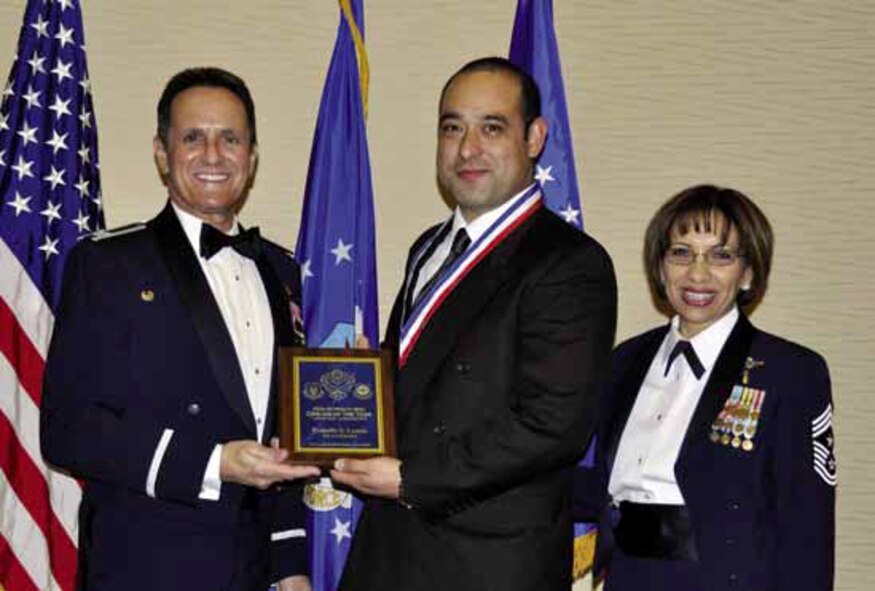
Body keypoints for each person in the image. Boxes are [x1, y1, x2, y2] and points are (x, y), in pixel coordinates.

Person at [330, 57, 617, 591]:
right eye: (452, 127)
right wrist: (363, 389)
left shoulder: (568, 262)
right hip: (391, 553)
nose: (468, 148)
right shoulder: (429, 248)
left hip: (487, 565)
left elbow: (552, 425)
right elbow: (430, 388)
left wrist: (412, 478)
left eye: (492, 127)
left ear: (534, 137)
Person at [40, 67, 321, 591]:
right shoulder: (109, 265)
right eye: (193, 138)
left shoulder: (282, 272)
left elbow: (280, 434)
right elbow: (68, 431)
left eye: (230, 138)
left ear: (252, 156)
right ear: (162, 153)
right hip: (145, 567)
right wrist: (215, 462)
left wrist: (290, 568)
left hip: (251, 572)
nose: (213, 155)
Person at [584, 185, 835, 591]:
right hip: (629, 578)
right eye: (681, 253)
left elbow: (806, 525)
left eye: (721, 256)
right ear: (660, 267)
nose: (697, 273)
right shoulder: (624, 361)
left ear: (748, 272)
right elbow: (594, 484)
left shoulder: (792, 372)